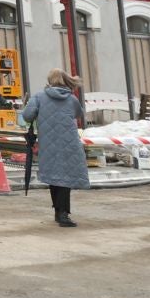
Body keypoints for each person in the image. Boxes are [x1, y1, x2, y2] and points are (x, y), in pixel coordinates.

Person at [19, 69, 89, 226]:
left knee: (54, 175)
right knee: (65, 176)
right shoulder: (72, 99)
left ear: (49, 80)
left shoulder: (39, 96)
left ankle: (59, 212)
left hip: (48, 142)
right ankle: (63, 214)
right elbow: (78, 114)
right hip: (69, 142)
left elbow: (27, 116)